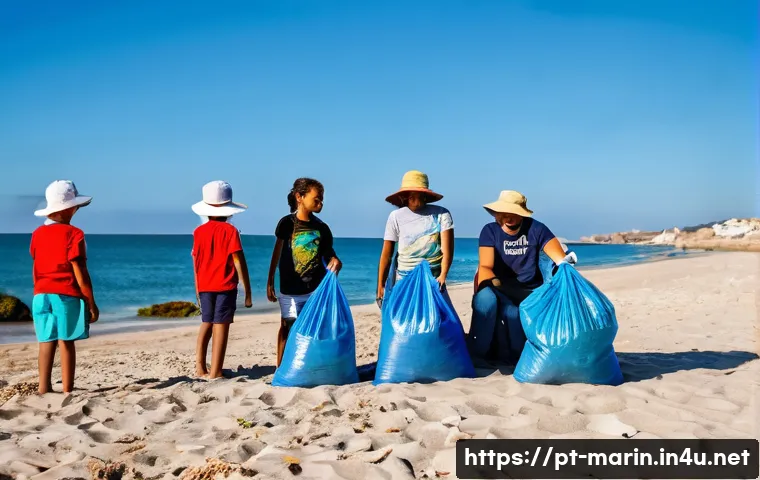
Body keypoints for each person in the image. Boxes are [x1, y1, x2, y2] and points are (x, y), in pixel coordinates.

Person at [467, 190, 576, 364]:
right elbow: (485, 266)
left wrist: (567, 266)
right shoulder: (490, 231)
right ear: (497, 215)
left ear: (522, 214)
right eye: (503, 214)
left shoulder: (537, 229)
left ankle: (517, 354)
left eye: (513, 214)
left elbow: (560, 259)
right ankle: (478, 354)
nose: (508, 218)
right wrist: (495, 284)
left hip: (529, 291)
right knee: (485, 301)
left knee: (514, 316)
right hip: (498, 287)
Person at [29, 180, 99, 395]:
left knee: (45, 340)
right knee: (66, 341)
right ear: (69, 208)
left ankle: (44, 388)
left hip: (40, 294)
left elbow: (36, 264)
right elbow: (80, 271)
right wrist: (90, 301)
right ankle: (67, 389)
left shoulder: (36, 234)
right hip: (66, 294)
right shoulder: (75, 234)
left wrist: (40, 287)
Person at [267, 178, 342, 367]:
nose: (321, 203)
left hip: (313, 290)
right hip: (289, 288)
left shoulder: (322, 229)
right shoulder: (286, 224)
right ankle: (281, 367)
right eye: (316, 198)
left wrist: (336, 262)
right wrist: (270, 282)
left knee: (310, 329)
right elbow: (276, 253)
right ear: (299, 197)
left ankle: (306, 366)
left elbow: (329, 255)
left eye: (322, 199)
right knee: (287, 326)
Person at [191, 180, 252, 379]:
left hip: (205, 285)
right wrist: (248, 291)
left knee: (206, 323)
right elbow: (238, 261)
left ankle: (200, 367)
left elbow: (196, 262)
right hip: (225, 286)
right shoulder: (231, 231)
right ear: (229, 210)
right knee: (221, 325)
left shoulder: (198, 232)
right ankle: (216, 372)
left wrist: (197, 288)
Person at [377, 170, 454, 306]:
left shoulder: (441, 214)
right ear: (404, 197)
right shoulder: (395, 217)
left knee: (438, 321)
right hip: (404, 279)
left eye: (417, 195)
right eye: (410, 195)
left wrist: (443, 275)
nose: (413, 199)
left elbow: (447, 250)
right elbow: (387, 253)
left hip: (433, 280)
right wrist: (380, 285)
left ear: (425, 195)